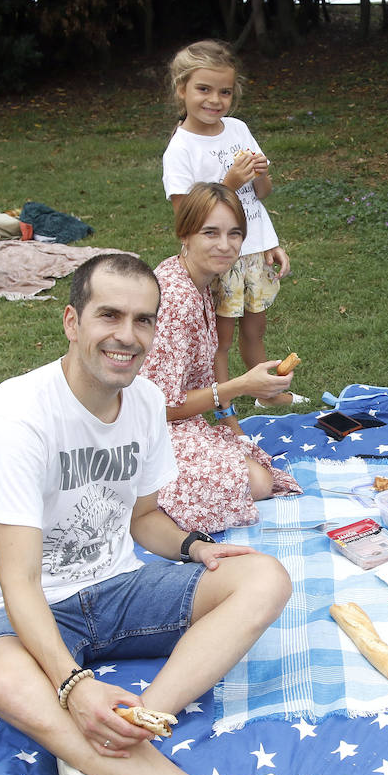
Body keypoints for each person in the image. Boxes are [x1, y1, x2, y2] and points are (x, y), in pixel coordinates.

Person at [0, 252, 309, 775]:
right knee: (5, 679)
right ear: (72, 322)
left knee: (265, 578)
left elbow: (144, 518)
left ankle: (117, 736)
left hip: (117, 586)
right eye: (109, 315)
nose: (127, 335)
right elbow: (19, 583)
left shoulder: (145, 401)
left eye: (143, 320)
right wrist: (73, 686)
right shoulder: (19, 417)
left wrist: (194, 547)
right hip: (30, 605)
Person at [141, 182, 300, 531]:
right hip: (144, 432)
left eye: (234, 233)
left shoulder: (201, 282)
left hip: (176, 423)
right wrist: (242, 385)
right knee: (257, 482)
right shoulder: (176, 299)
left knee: (255, 472)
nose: (225, 245)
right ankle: (132, 497)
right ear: (185, 234)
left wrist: (231, 426)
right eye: (210, 233)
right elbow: (159, 408)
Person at [162, 40, 306, 410]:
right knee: (221, 339)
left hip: (253, 250)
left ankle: (266, 395)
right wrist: (229, 182)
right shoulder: (181, 149)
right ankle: (222, 402)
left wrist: (268, 240)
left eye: (224, 92)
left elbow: (261, 195)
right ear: (181, 90)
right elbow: (186, 218)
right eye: (203, 89)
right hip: (219, 257)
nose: (215, 100)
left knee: (256, 329)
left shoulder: (238, 129)